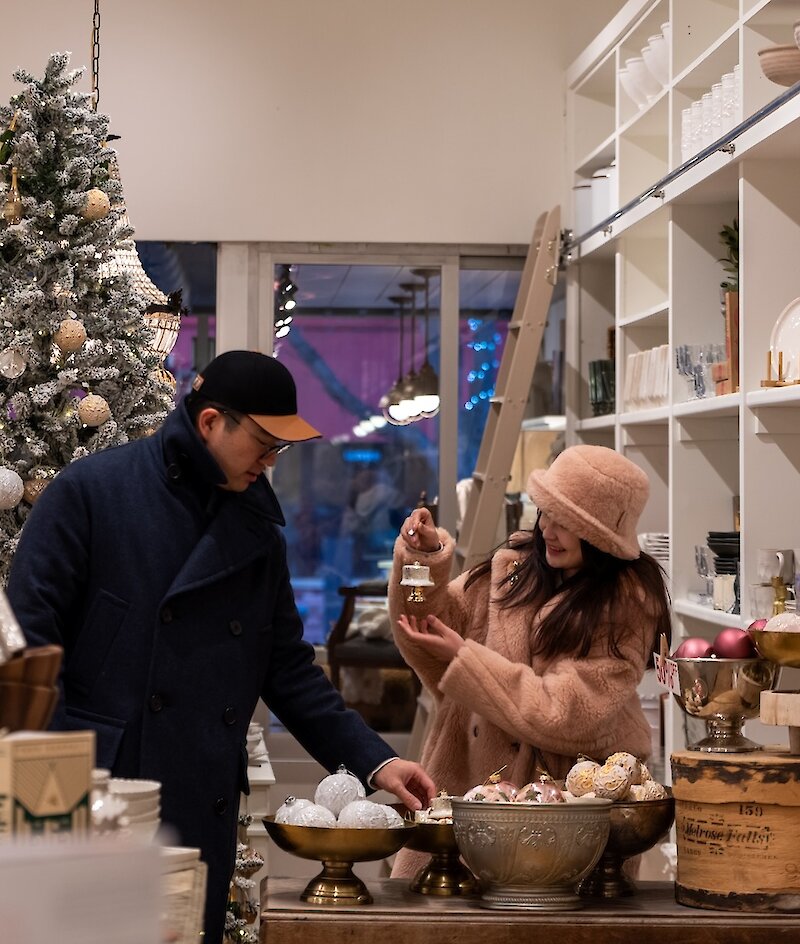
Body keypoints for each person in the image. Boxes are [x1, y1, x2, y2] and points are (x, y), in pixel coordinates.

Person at [6, 350, 435, 943]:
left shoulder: (258, 531)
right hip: (100, 794)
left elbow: (287, 668)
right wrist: (47, 790)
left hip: (195, 792)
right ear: (211, 422)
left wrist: (377, 761)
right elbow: (26, 652)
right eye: (263, 442)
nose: (271, 460)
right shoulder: (91, 493)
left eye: (281, 448)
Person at [388, 444, 670, 876]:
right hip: (468, 791)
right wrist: (422, 563)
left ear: (600, 534)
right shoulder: (513, 570)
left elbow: (567, 711)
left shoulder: (626, 607)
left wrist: (466, 658)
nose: (548, 529)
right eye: (546, 513)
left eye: (567, 521)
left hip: (564, 824)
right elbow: (427, 628)